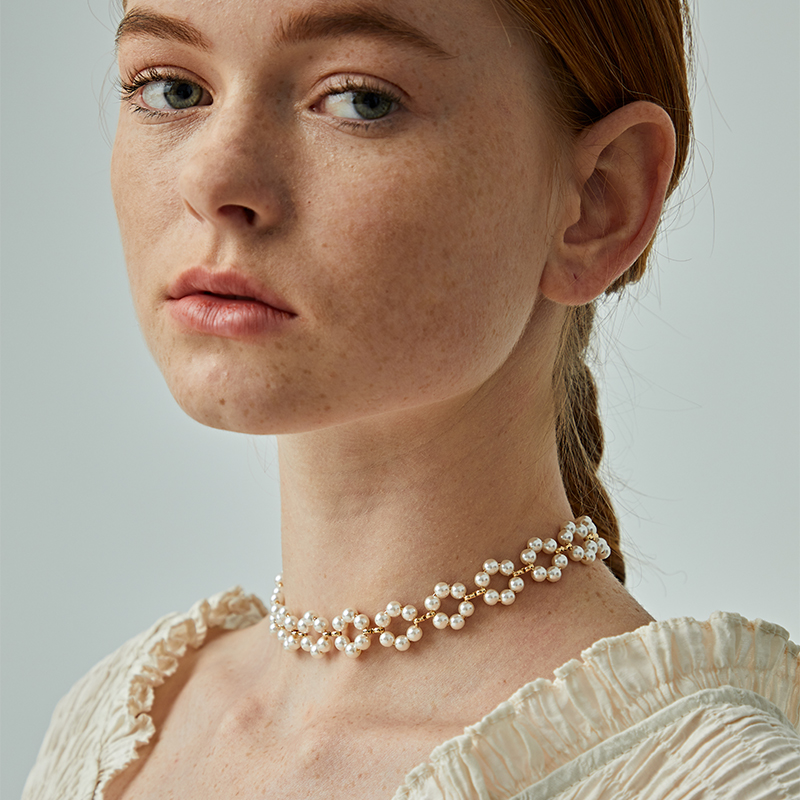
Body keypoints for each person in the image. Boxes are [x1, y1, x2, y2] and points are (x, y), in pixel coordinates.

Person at [22, 0, 799, 798]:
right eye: (172, 89)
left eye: (360, 99)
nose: (212, 179)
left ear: (600, 201)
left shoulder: (713, 783)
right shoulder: (113, 729)